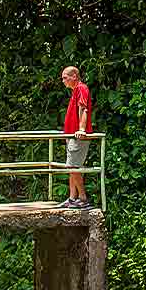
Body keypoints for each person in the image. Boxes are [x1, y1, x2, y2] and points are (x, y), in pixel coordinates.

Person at [58, 66, 94, 209]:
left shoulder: (81, 88)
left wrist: (81, 129)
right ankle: (72, 198)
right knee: (71, 167)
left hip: (77, 136)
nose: (63, 81)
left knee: (73, 166)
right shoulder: (75, 91)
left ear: (74, 76)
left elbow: (83, 108)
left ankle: (83, 198)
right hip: (71, 135)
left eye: (65, 77)